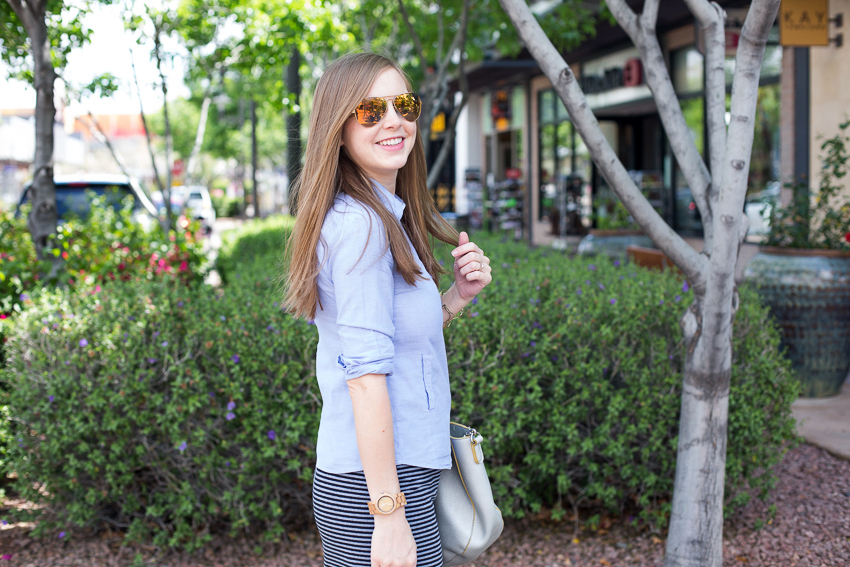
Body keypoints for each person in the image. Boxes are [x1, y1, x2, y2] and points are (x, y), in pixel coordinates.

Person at [283, 52, 493, 567]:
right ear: (338, 128)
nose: (393, 120)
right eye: (370, 111)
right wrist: (388, 515)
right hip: (373, 487)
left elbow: (393, 339)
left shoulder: (385, 218)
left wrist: (456, 299)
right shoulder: (362, 227)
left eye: (403, 104)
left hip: (399, 474)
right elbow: (365, 377)